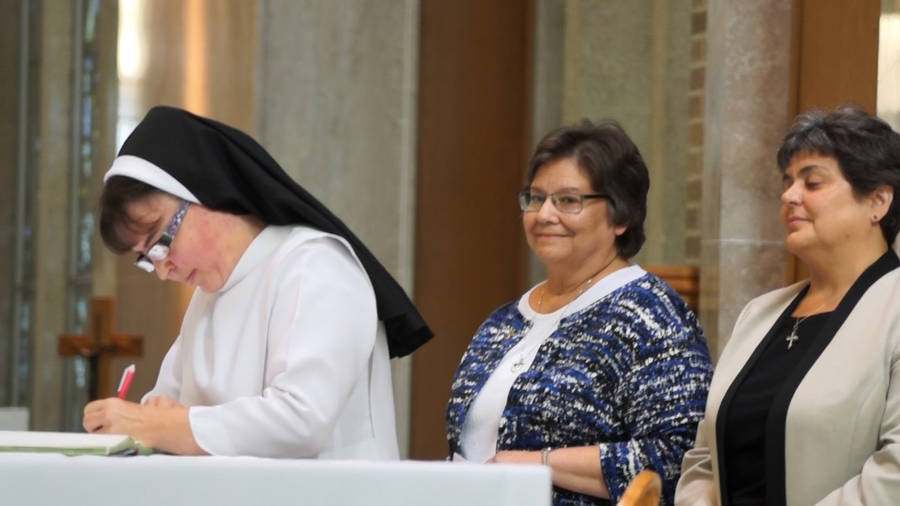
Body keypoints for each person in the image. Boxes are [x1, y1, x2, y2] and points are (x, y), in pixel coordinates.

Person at [82, 106, 432, 459]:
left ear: (204, 190)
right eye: (147, 259)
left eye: (160, 243)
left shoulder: (316, 267)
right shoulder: (208, 297)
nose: (163, 270)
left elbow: (300, 420)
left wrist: (156, 425)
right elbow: (165, 409)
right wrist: (144, 418)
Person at [445, 119, 714, 505]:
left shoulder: (652, 315)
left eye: (568, 200)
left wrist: (538, 464)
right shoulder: (503, 320)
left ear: (620, 216)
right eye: (535, 198)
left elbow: (677, 458)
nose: (543, 215)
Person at [675, 105, 900, 505]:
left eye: (812, 183)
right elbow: (703, 459)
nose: (789, 196)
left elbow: (893, 475)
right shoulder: (759, 314)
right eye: (788, 182)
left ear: (878, 201)